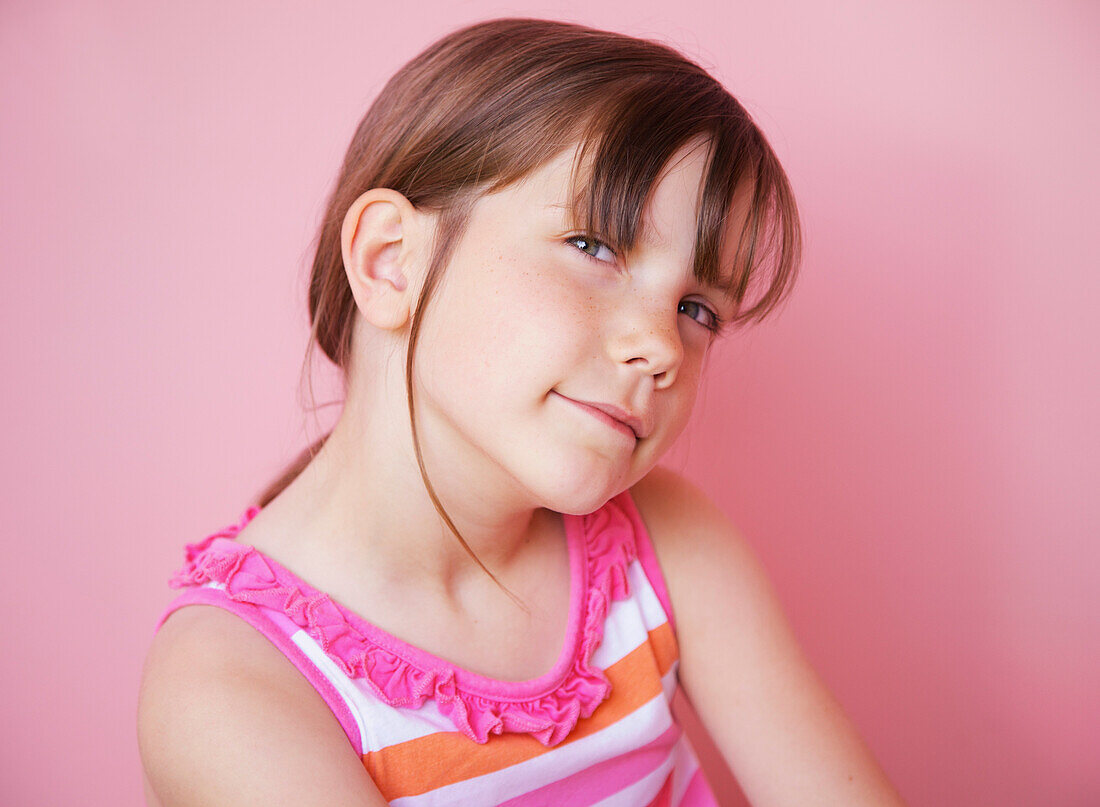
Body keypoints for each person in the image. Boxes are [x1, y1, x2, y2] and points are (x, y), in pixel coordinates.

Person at [137, 17, 907, 807]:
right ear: (391, 260)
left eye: (697, 308)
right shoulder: (231, 684)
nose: (663, 348)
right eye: (595, 246)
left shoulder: (664, 544)